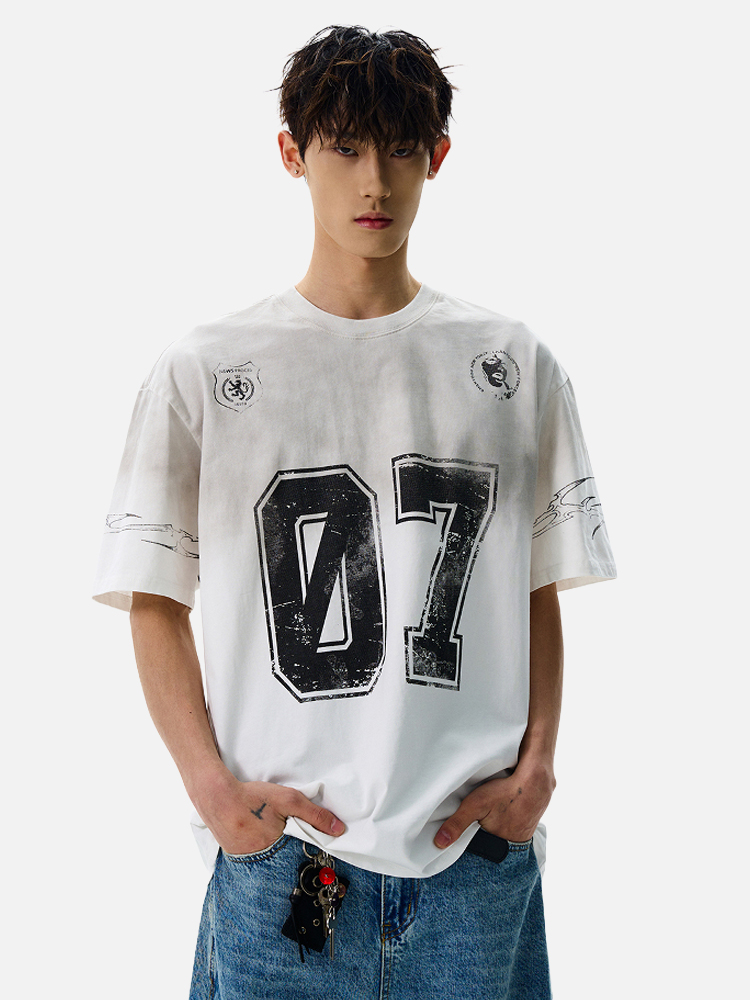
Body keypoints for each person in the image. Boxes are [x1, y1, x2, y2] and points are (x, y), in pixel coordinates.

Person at [93, 23, 616, 1000]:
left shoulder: (512, 364)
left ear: (438, 157)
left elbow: (535, 580)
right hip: (287, 859)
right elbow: (153, 596)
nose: (374, 181)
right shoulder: (204, 371)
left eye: (401, 149)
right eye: (343, 148)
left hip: (470, 859)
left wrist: (540, 763)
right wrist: (210, 787)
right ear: (291, 154)